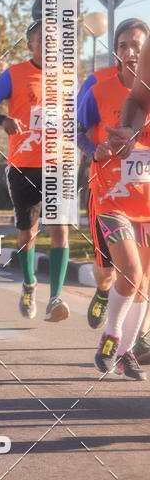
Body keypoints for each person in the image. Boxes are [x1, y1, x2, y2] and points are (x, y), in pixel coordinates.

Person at [0, 19, 70, 322]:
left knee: (59, 229)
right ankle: (29, 284)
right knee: (27, 232)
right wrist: (2, 120)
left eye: (54, 40)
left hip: (57, 164)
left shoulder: (68, 77)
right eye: (43, 40)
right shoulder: (13, 75)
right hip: (23, 165)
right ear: (30, 45)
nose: (50, 45)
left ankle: (55, 298)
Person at [105, 29, 150, 370]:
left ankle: (129, 346)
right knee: (133, 273)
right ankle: (120, 341)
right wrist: (130, 132)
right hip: (116, 196)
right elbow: (139, 99)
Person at [77, 58, 120, 328]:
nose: (132, 52)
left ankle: (136, 333)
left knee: (141, 269)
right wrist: (94, 151)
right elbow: (76, 129)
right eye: (124, 45)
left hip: (144, 190)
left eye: (138, 46)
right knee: (107, 270)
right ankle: (103, 291)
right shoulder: (96, 83)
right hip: (106, 187)